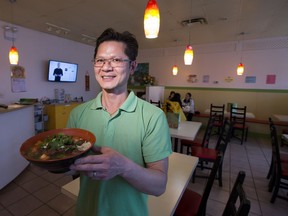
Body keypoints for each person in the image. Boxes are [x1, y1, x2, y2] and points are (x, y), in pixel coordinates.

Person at [67, 28, 172, 216]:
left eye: (116, 60)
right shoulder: (78, 114)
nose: (106, 67)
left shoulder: (152, 117)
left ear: (132, 67)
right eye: (100, 60)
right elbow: (71, 165)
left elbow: (159, 186)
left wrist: (123, 167)